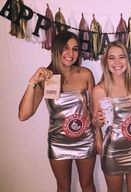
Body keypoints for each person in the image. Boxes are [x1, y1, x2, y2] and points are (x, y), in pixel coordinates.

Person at [18, 30, 96, 192]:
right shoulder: (46, 79)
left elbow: (94, 110)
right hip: (58, 142)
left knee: (87, 185)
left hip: (85, 140)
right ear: (56, 49)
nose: (70, 53)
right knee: (63, 186)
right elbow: (23, 115)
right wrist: (33, 82)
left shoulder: (85, 74)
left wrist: (99, 136)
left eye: (75, 49)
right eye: (66, 48)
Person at [92, 41, 131, 192]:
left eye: (122, 57)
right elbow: (96, 122)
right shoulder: (99, 90)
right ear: (105, 62)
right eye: (111, 58)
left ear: (128, 60)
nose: (117, 62)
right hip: (113, 150)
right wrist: (97, 124)